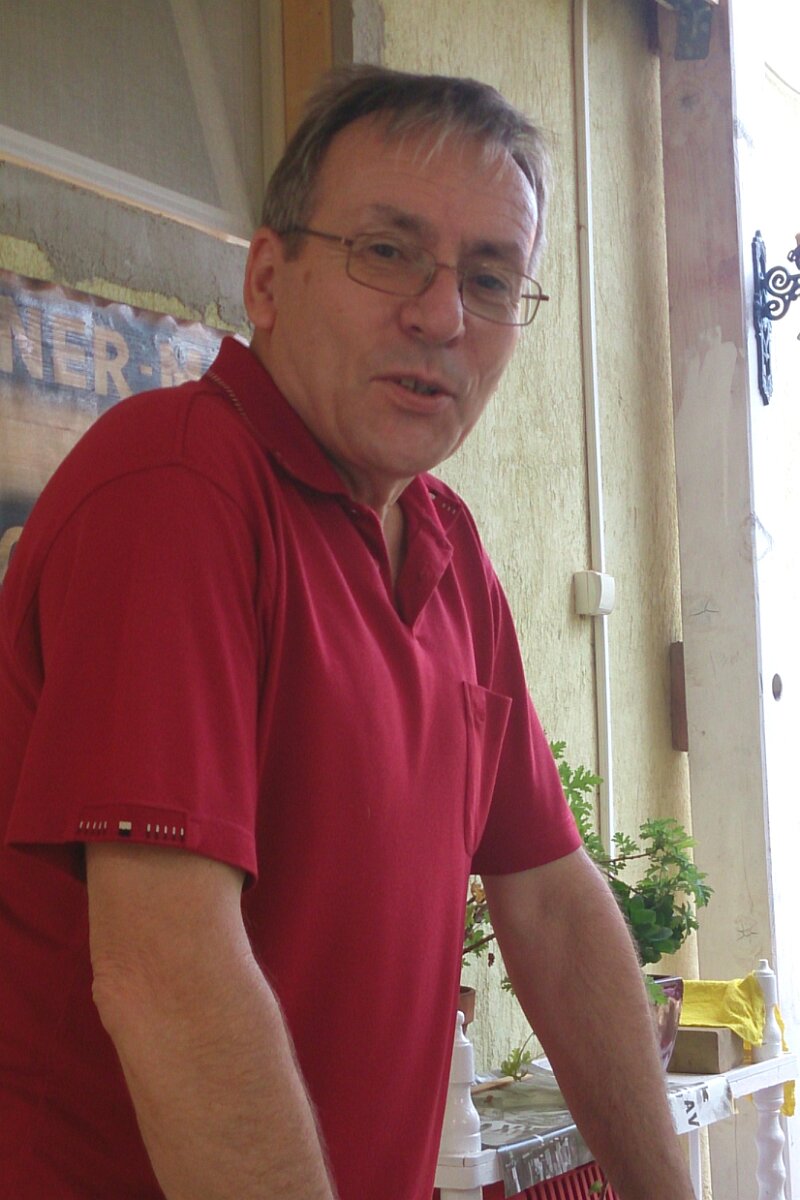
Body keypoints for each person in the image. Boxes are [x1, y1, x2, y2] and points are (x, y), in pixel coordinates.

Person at [0, 66, 694, 1200]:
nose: (441, 316)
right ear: (268, 279)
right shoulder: (175, 487)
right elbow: (166, 971)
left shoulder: (447, 547)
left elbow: (554, 908)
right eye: (386, 251)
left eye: (488, 278)